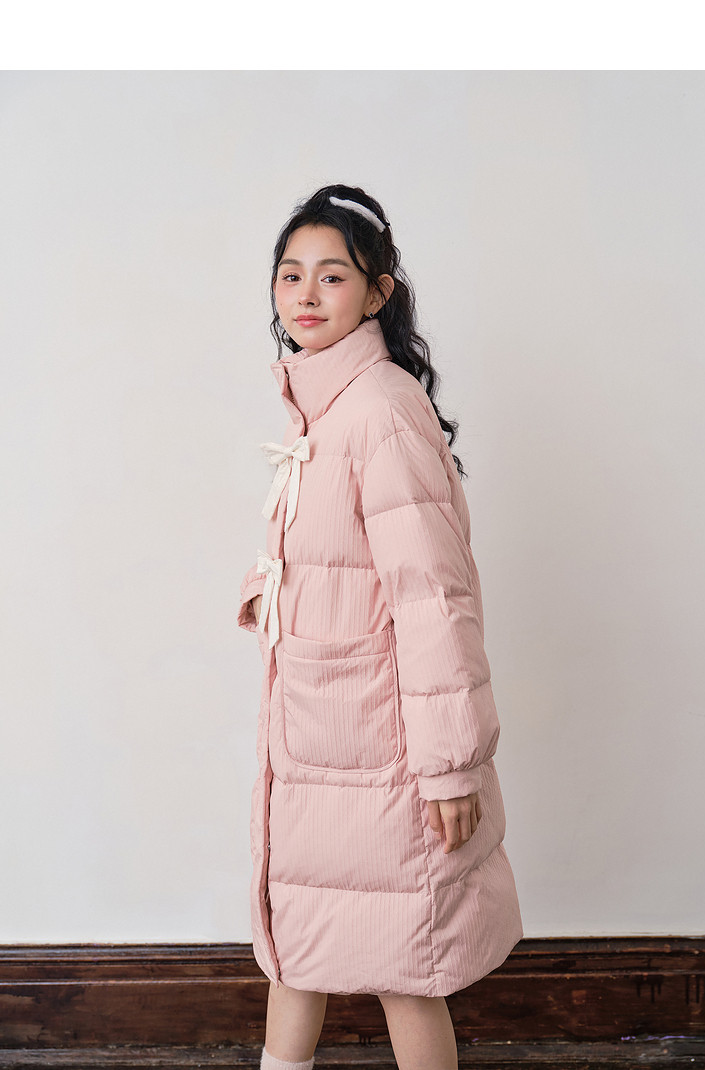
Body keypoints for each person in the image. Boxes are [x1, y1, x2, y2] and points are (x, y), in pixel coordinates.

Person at [238, 185, 523, 1070]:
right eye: (291, 274)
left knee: (406, 965)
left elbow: (433, 598)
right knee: (299, 946)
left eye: (332, 276)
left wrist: (450, 766)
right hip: (322, 743)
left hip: (384, 751)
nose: (306, 294)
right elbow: (344, 555)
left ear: (378, 292)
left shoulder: (381, 410)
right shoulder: (324, 407)